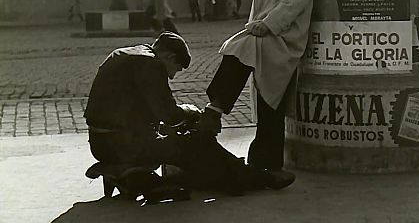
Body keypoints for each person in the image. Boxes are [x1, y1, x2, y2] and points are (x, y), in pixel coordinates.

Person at [83, 32, 289, 198]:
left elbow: (142, 112)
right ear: (169, 57)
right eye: (176, 69)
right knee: (198, 144)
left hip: (102, 142)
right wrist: (190, 113)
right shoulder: (150, 64)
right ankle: (250, 176)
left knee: (189, 144)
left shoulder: (127, 54)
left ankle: (235, 176)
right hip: (124, 145)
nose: (171, 76)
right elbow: (169, 115)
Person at [198, 0, 313, 188]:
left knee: (240, 48)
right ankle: (267, 164)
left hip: (282, 37)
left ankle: (215, 109)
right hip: (266, 35)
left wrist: (268, 24)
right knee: (268, 102)